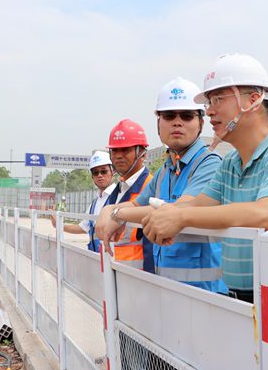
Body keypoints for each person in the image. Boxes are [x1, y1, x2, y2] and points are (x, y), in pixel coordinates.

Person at [140, 53, 268, 324]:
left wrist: (179, 217)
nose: (210, 111)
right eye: (209, 102)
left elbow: (264, 214)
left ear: (253, 99)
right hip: (240, 302)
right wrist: (126, 214)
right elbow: (193, 205)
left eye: (218, 100)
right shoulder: (231, 163)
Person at [95, 78, 225, 293]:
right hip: (166, 289)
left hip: (205, 295)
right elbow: (136, 205)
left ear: (201, 123)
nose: (177, 122)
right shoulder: (166, 170)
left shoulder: (209, 164)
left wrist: (117, 214)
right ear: (158, 123)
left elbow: (178, 210)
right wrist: (108, 209)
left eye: (186, 116)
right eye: (169, 116)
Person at [101, 119, 153, 271]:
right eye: (114, 151)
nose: (118, 156)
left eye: (125, 150)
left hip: (138, 275)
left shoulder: (150, 186)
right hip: (114, 272)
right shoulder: (118, 188)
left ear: (142, 154)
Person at [50, 151, 116, 252]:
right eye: (95, 173)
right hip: (96, 256)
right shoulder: (95, 203)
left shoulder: (119, 196)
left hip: (113, 257)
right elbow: (84, 227)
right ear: (92, 176)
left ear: (112, 171)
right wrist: (58, 225)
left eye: (104, 171)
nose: (99, 175)